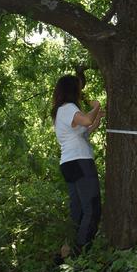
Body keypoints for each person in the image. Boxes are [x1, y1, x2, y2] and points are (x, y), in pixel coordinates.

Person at [52, 74, 103, 258]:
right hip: (80, 161)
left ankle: (68, 251)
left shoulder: (61, 111)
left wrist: (97, 116)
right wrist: (95, 107)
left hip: (69, 163)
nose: (81, 93)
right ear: (72, 90)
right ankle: (80, 253)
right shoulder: (68, 108)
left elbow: (85, 129)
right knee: (92, 208)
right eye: (79, 89)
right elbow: (87, 120)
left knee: (78, 209)